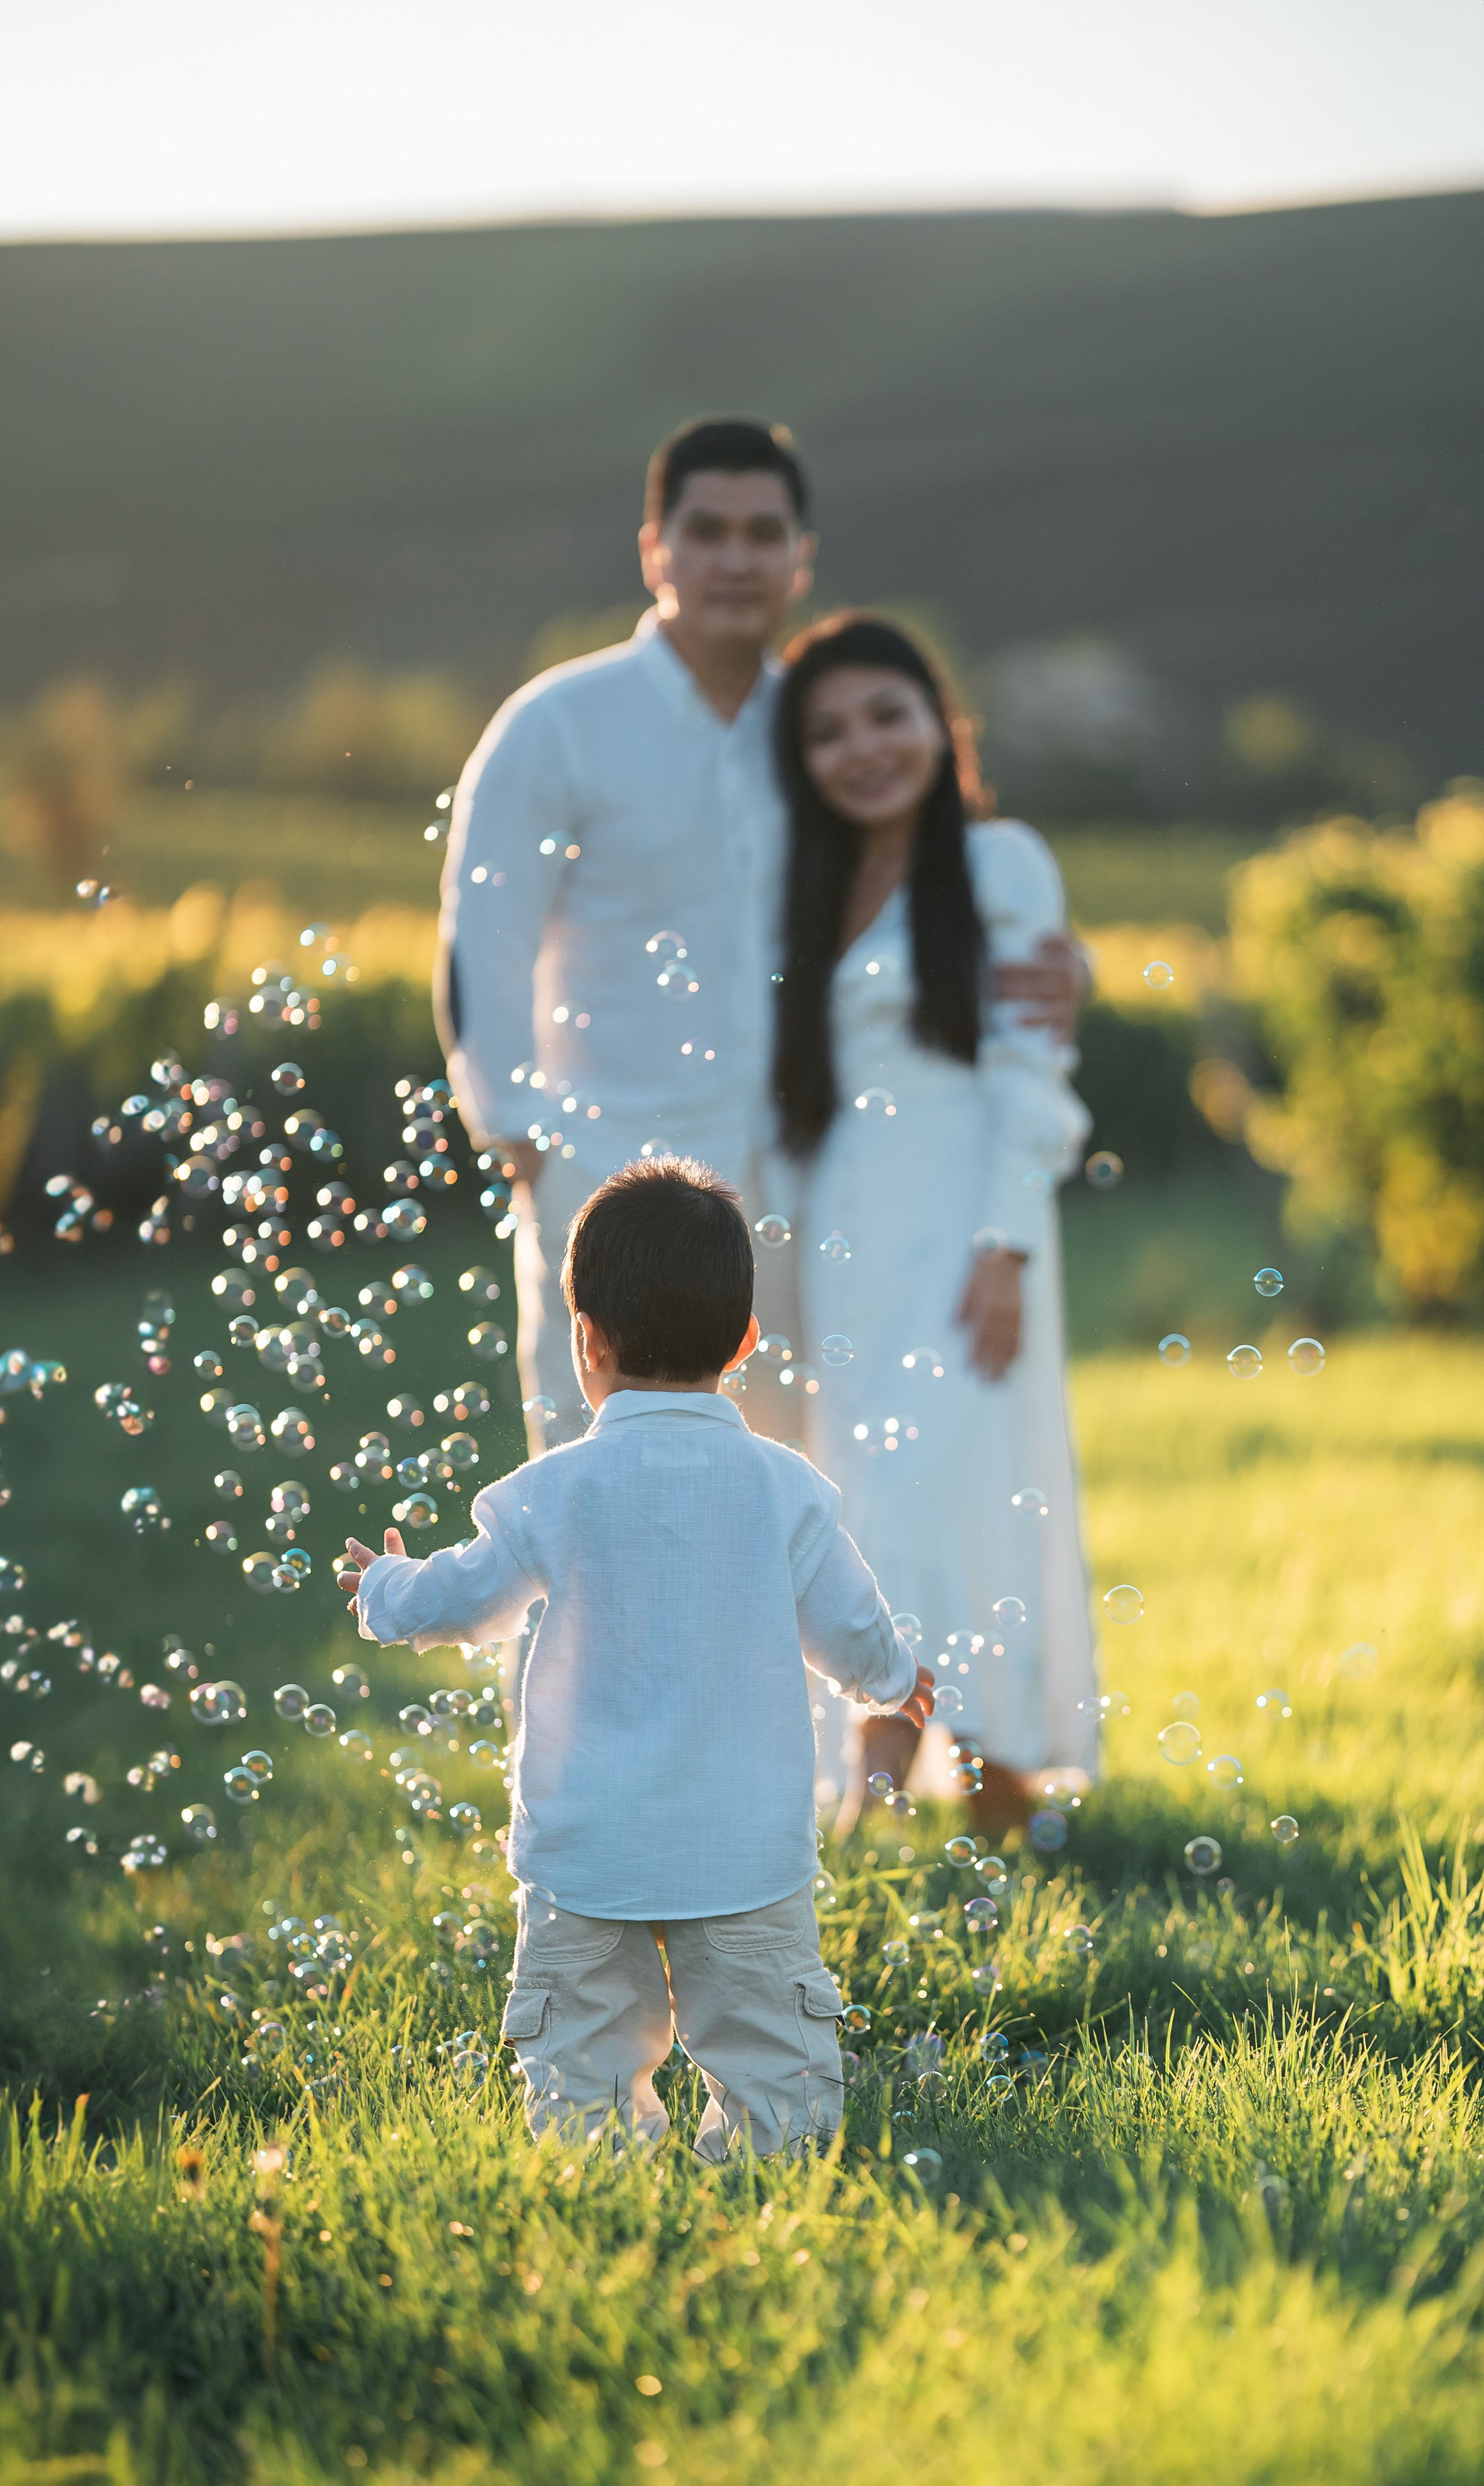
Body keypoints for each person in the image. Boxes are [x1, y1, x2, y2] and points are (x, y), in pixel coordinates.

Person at [435, 417, 1087, 1457]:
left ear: (801, 557)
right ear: (656, 550)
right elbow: (484, 943)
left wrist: (1058, 961)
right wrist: (525, 1144)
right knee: (593, 1504)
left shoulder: (823, 734)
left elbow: (930, 889)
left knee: (786, 1508)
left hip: (799, 1194)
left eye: (763, 532)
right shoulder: (556, 724)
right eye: (706, 531)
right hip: (606, 1180)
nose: (736, 558)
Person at [338, 1157, 933, 2155]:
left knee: (579, 2075)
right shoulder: (786, 1489)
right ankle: (765, 2177)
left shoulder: (551, 1489)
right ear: (745, 1341)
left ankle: (603, 2182)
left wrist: (386, 1590)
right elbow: (853, 1625)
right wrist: (895, 1681)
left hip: (587, 1857)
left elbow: (464, 1600)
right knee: (778, 2077)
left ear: (587, 1342)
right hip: (745, 1855)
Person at [769, 614, 1097, 1830]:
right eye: (828, 731)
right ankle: (990, 1786)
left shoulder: (1001, 859)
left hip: (969, 1232)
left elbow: (1030, 1064)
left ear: (941, 725)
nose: (863, 749)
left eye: (887, 716)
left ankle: (890, 1789)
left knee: (960, 1486)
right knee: (869, 1493)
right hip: (842, 1238)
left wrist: (1005, 1244)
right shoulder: (802, 883)